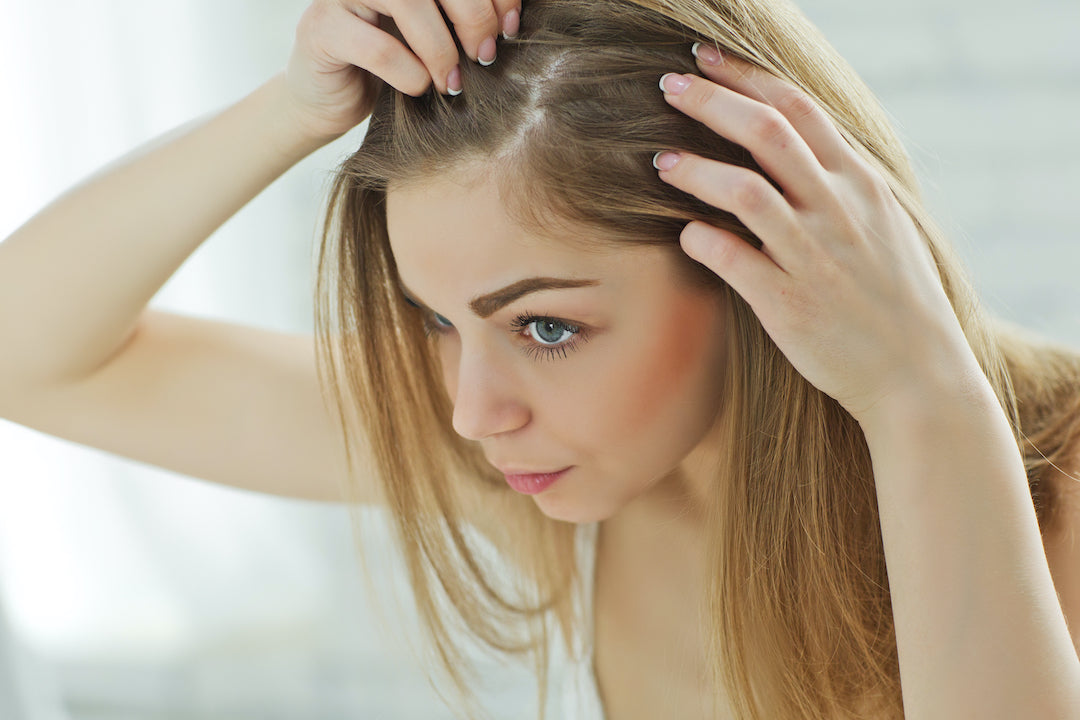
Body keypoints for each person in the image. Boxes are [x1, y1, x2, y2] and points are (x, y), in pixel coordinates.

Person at [0, 0, 1078, 718]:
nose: (473, 413)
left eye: (546, 328)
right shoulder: (557, 470)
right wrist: (293, 108)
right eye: (437, 319)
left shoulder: (1055, 477)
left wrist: (921, 395)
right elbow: (29, 356)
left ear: (763, 260)